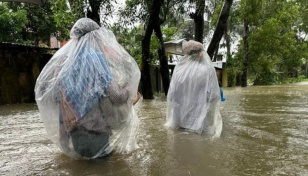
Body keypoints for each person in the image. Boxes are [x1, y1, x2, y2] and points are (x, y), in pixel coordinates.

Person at [35, 18, 141, 159]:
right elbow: (116, 96)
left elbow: (59, 101)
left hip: (75, 133)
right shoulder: (96, 59)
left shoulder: (62, 63)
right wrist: (129, 88)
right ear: (95, 36)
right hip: (97, 133)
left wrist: (64, 140)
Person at [164, 40, 222, 138]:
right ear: (201, 53)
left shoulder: (179, 69)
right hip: (198, 124)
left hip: (178, 121)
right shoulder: (208, 69)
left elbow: (171, 95)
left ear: (186, 54)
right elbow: (214, 96)